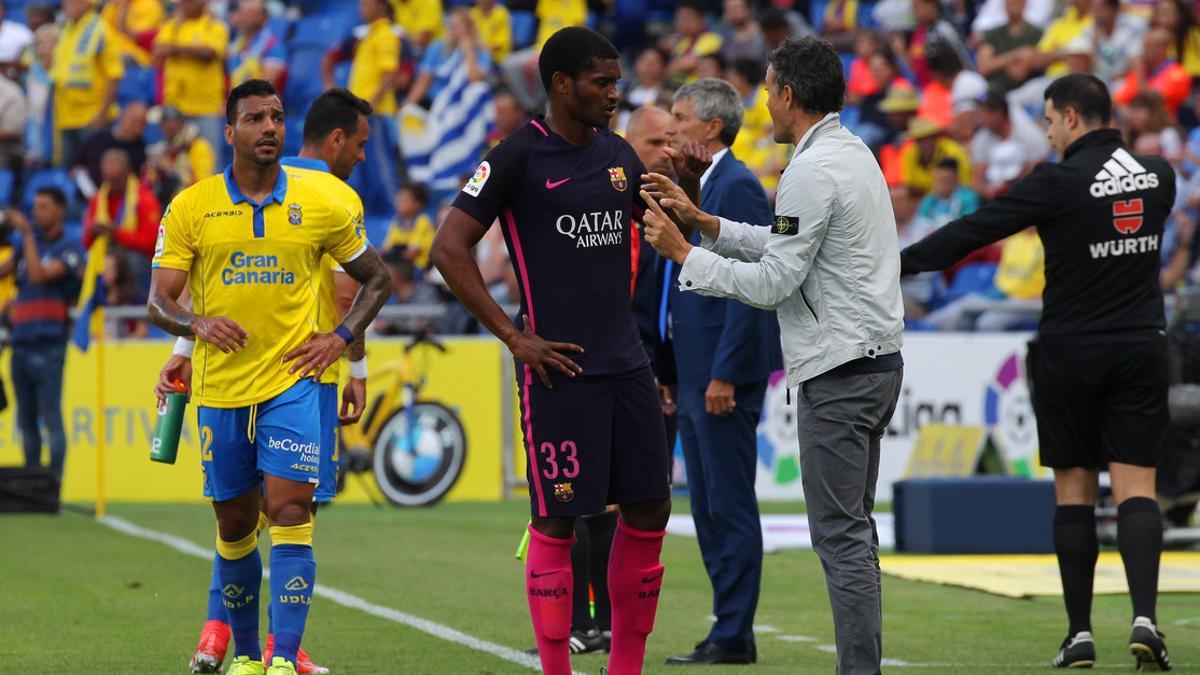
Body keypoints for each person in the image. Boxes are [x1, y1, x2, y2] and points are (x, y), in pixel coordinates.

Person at [640, 36, 905, 675]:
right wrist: (709, 225)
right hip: (871, 360)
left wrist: (685, 256)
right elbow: (786, 247)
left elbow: (774, 284)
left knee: (840, 536)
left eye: (766, 89)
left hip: (839, 370)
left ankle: (858, 669)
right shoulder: (852, 153)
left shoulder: (810, 171)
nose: (763, 102)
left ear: (787, 94)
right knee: (852, 533)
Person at [431, 27, 686, 675]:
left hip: (626, 363)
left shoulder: (619, 154)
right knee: (558, 517)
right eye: (602, 81)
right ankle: (557, 668)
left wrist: (689, 196)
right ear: (562, 84)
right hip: (558, 370)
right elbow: (448, 247)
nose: (614, 91)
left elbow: (663, 226)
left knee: (651, 505)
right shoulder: (516, 157)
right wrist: (515, 338)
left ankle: (624, 664)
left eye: (616, 79)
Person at [899, 73, 1173, 671]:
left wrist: (898, 263)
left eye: (1049, 121)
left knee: (1074, 493)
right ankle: (1146, 619)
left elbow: (975, 231)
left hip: (1070, 349)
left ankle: (1079, 635)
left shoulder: (1055, 181)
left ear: (1072, 117)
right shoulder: (1161, 175)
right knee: (1137, 490)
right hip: (1140, 345)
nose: (1047, 133)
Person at [146, 79, 390, 675]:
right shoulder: (193, 206)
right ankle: (246, 653)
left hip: (296, 381)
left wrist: (339, 344)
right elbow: (163, 298)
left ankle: (282, 658)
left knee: (289, 510)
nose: (269, 127)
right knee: (234, 521)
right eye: (254, 118)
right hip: (223, 386)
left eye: (276, 116)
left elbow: (368, 280)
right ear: (229, 132)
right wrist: (194, 330)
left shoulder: (325, 202)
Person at [658, 78, 777, 667]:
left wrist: (726, 372)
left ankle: (735, 632)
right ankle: (726, 627)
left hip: (719, 375)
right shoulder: (701, 184)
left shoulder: (739, 187)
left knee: (727, 503)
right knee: (705, 506)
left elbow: (753, 287)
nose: (671, 126)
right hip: (693, 370)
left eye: (680, 117)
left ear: (711, 126)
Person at [0, 189, 83, 494]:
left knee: (50, 416)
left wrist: (25, 233)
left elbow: (37, 276)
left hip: (49, 344)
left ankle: (53, 487)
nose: (37, 213)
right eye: (34, 208)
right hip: (21, 342)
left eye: (44, 207)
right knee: (26, 419)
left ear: (61, 210)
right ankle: (31, 488)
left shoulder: (68, 248)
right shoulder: (25, 247)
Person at [331, 0, 401, 215]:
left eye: (367, 5)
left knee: (381, 165)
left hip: (375, 113)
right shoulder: (369, 35)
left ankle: (395, 213)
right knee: (368, 166)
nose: (362, 9)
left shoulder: (386, 35)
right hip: (363, 112)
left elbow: (388, 75)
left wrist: (369, 105)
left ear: (380, 6)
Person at [154, 0, 229, 159]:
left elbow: (208, 53)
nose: (184, 5)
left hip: (206, 106)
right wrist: (191, 50)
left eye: (189, 2)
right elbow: (158, 51)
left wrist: (174, 48)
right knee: (175, 161)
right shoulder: (171, 26)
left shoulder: (214, 26)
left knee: (208, 158)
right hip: (176, 106)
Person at [53, 0, 125, 166]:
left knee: (92, 171)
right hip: (66, 118)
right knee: (70, 174)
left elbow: (114, 76)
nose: (65, 4)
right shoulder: (67, 30)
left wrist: (101, 114)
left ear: (87, 3)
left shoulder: (102, 31)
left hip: (91, 118)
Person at [83, 148, 162, 295]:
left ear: (127, 173)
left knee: (131, 262)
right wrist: (93, 232)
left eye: (116, 178)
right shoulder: (98, 199)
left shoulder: (145, 199)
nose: (112, 183)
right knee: (86, 263)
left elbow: (151, 244)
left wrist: (116, 233)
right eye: (108, 178)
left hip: (136, 257)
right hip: (106, 252)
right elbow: (86, 244)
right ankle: (94, 309)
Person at [70, 101, 148, 190]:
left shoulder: (141, 149)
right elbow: (74, 166)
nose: (137, 129)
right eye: (134, 122)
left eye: (142, 125)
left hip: (125, 199)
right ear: (122, 117)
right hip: (89, 195)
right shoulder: (97, 139)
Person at [227, 0, 287, 90]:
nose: (241, 17)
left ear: (261, 18)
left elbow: (266, 88)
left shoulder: (272, 45)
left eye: (247, 13)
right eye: (241, 12)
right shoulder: (236, 44)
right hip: (237, 100)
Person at [383, 183, 435, 269]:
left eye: (403, 200)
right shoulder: (396, 221)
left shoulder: (423, 221)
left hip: (418, 268)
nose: (398, 203)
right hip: (399, 265)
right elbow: (386, 248)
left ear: (418, 204)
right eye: (398, 199)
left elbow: (411, 253)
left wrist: (393, 255)